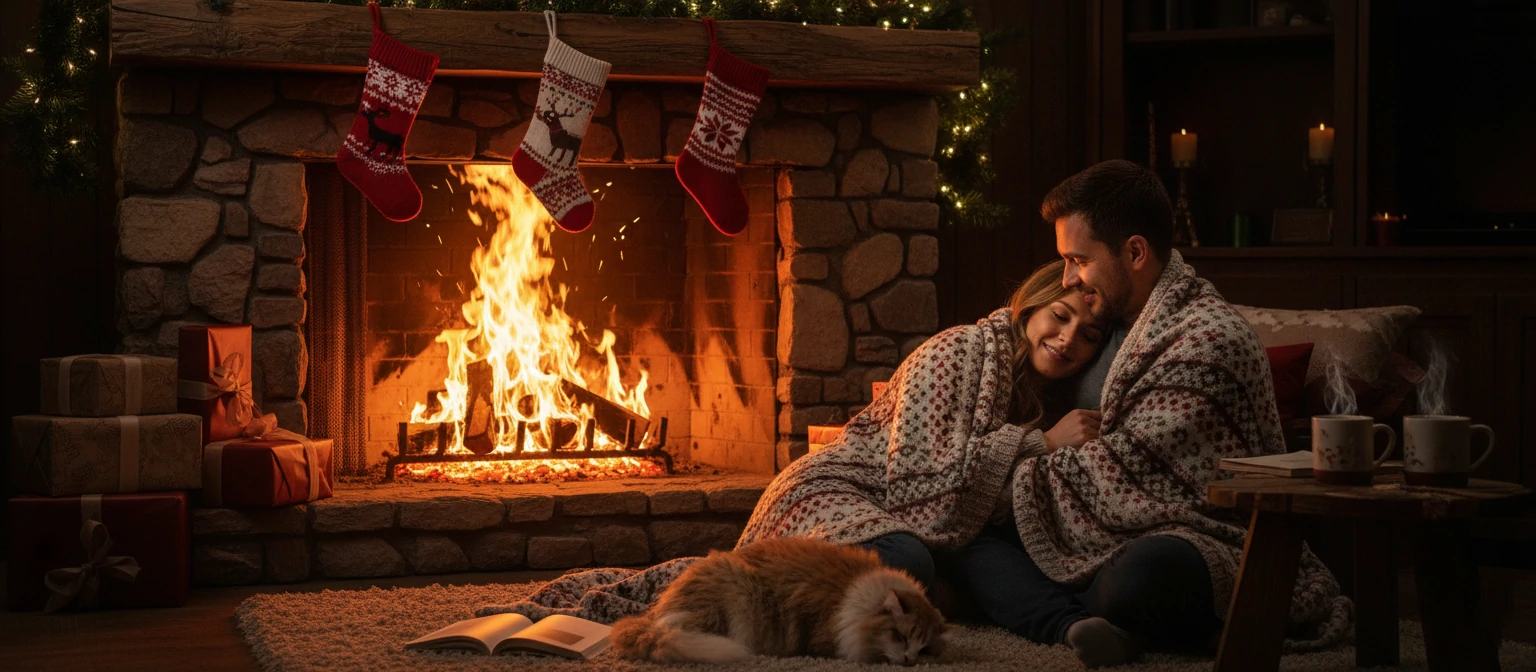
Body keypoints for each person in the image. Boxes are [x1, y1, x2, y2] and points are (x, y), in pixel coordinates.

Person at [949, 159, 1349, 667]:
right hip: (1090, 517)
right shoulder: (1106, 321)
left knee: (1142, 577)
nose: (1070, 277)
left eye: (1078, 259)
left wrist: (1009, 488)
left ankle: (1065, 606)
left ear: (1134, 251)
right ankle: (1071, 625)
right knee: (961, 530)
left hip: (1197, 532)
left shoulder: (1207, 338)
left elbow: (1138, 469)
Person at [737, 258, 1108, 592]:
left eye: (1089, 336)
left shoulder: (1058, 401)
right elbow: (924, 494)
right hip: (837, 490)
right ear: (1029, 308)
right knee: (906, 561)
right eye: (1060, 316)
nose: (1069, 337)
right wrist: (1041, 442)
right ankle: (751, 587)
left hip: (909, 519)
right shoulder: (959, 349)